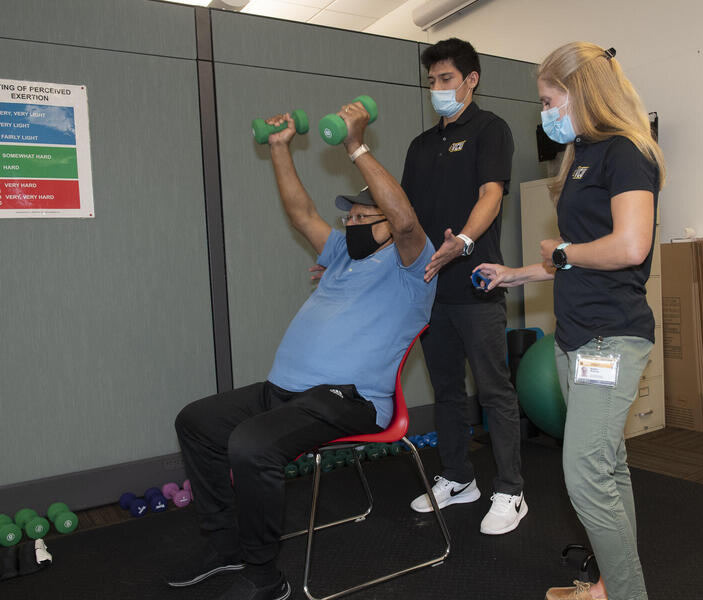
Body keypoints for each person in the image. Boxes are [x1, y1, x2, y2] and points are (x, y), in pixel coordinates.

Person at [168, 100, 436, 600]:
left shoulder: (414, 268)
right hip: (285, 393)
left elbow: (404, 222)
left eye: (364, 216)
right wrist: (279, 148)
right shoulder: (339, 256)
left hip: (347, 399)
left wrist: (356, 145)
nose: (352, 224)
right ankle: (225, 546)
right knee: (197, 422)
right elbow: (301, 213)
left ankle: (265, 576)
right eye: (350, 216)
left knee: (250, 444)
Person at [474, 42, 665, 600]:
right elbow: (580, 255)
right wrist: (518, 273)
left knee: (585, 478)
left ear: (580, 92)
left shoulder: (626, 152)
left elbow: (629, 246)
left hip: (611, 336)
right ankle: (608, 586)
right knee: (609, 470)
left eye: (548, 99)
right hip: (577, 337)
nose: (545, 112)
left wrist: (560, 255)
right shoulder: (581, 156)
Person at [401, 37, 526, 536]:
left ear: (471, 79)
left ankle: (510, 490)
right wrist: (353, 261)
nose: (438, 89)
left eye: (446, 79)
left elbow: (491, 195)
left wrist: (465, 241)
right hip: (432, 291)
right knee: (448, 390)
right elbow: (404, 219)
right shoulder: (420, 145)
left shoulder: (491, 130)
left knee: (494, 389)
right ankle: (458, 478)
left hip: (475, 283)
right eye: (432, 81)